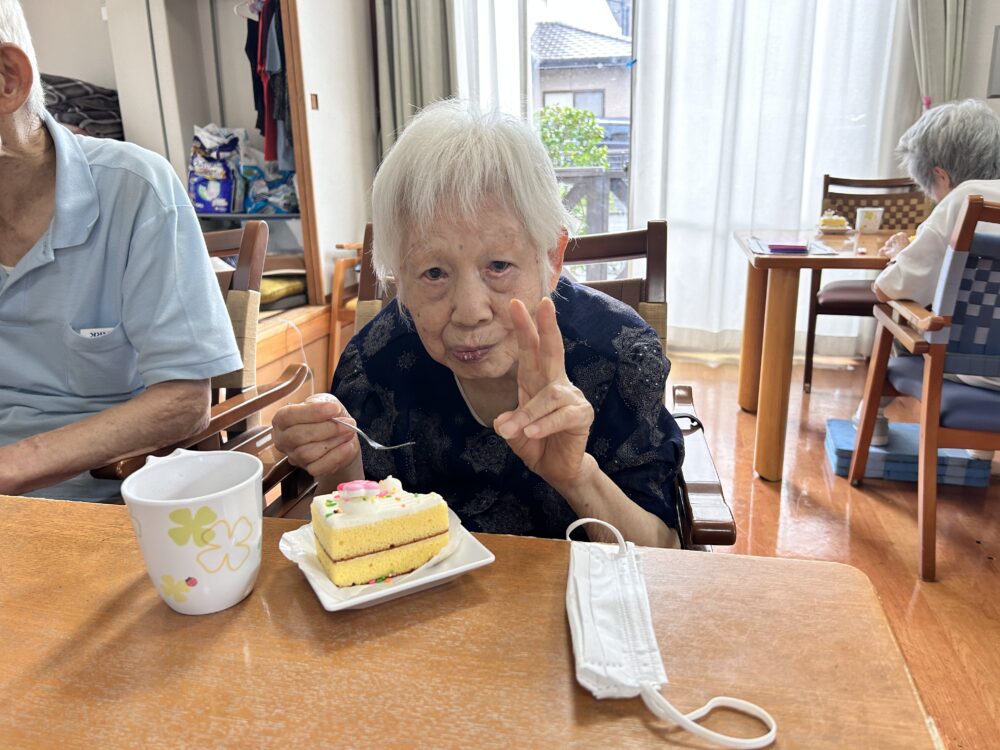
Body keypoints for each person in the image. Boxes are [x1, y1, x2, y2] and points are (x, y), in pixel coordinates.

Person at [273, 99, 684, 547]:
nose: (469, 311)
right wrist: (336, 461)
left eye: (499, 266)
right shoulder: (375, 363)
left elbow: (665, 550)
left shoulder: (618, 356)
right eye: (434, 273)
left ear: (551, 259)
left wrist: (578, 476)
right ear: (400, 280)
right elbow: (357, 539)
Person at [0, 0, 242, 500]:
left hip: (100, 498)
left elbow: (183, 400)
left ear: (7, 79)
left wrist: (12, 467)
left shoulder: (136, 189)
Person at [861, 98, 1000, 452]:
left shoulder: (965, 198)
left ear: (941, 175)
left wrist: (897, 257)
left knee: (900, 316)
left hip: (976, 371)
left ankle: (871, 420)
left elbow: (887, 289)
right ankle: (979, 451)